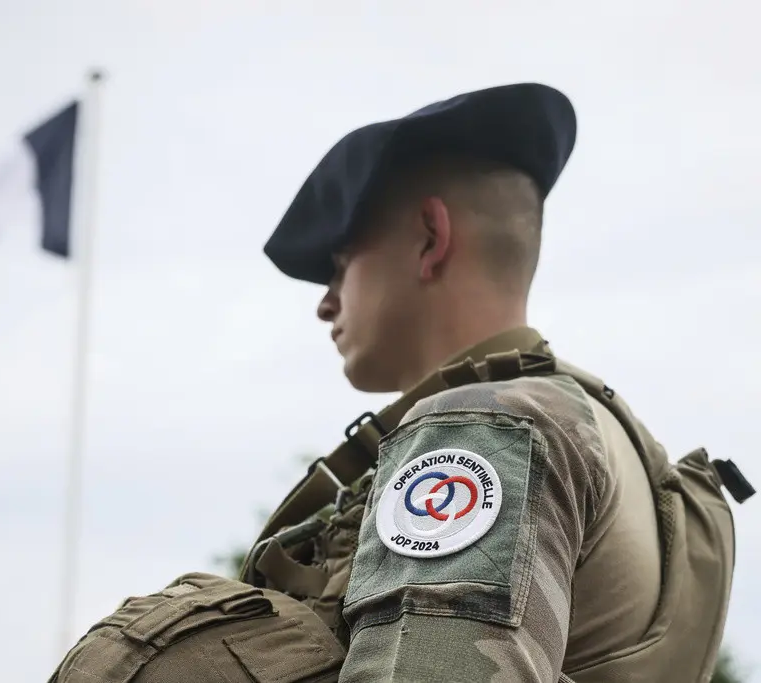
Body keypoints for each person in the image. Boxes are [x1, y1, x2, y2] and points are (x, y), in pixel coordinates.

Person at [47, 83, 750, 683]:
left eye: (338, 263)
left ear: (429, 236)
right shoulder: (591, 419)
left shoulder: (482, 429)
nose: (325, 302)